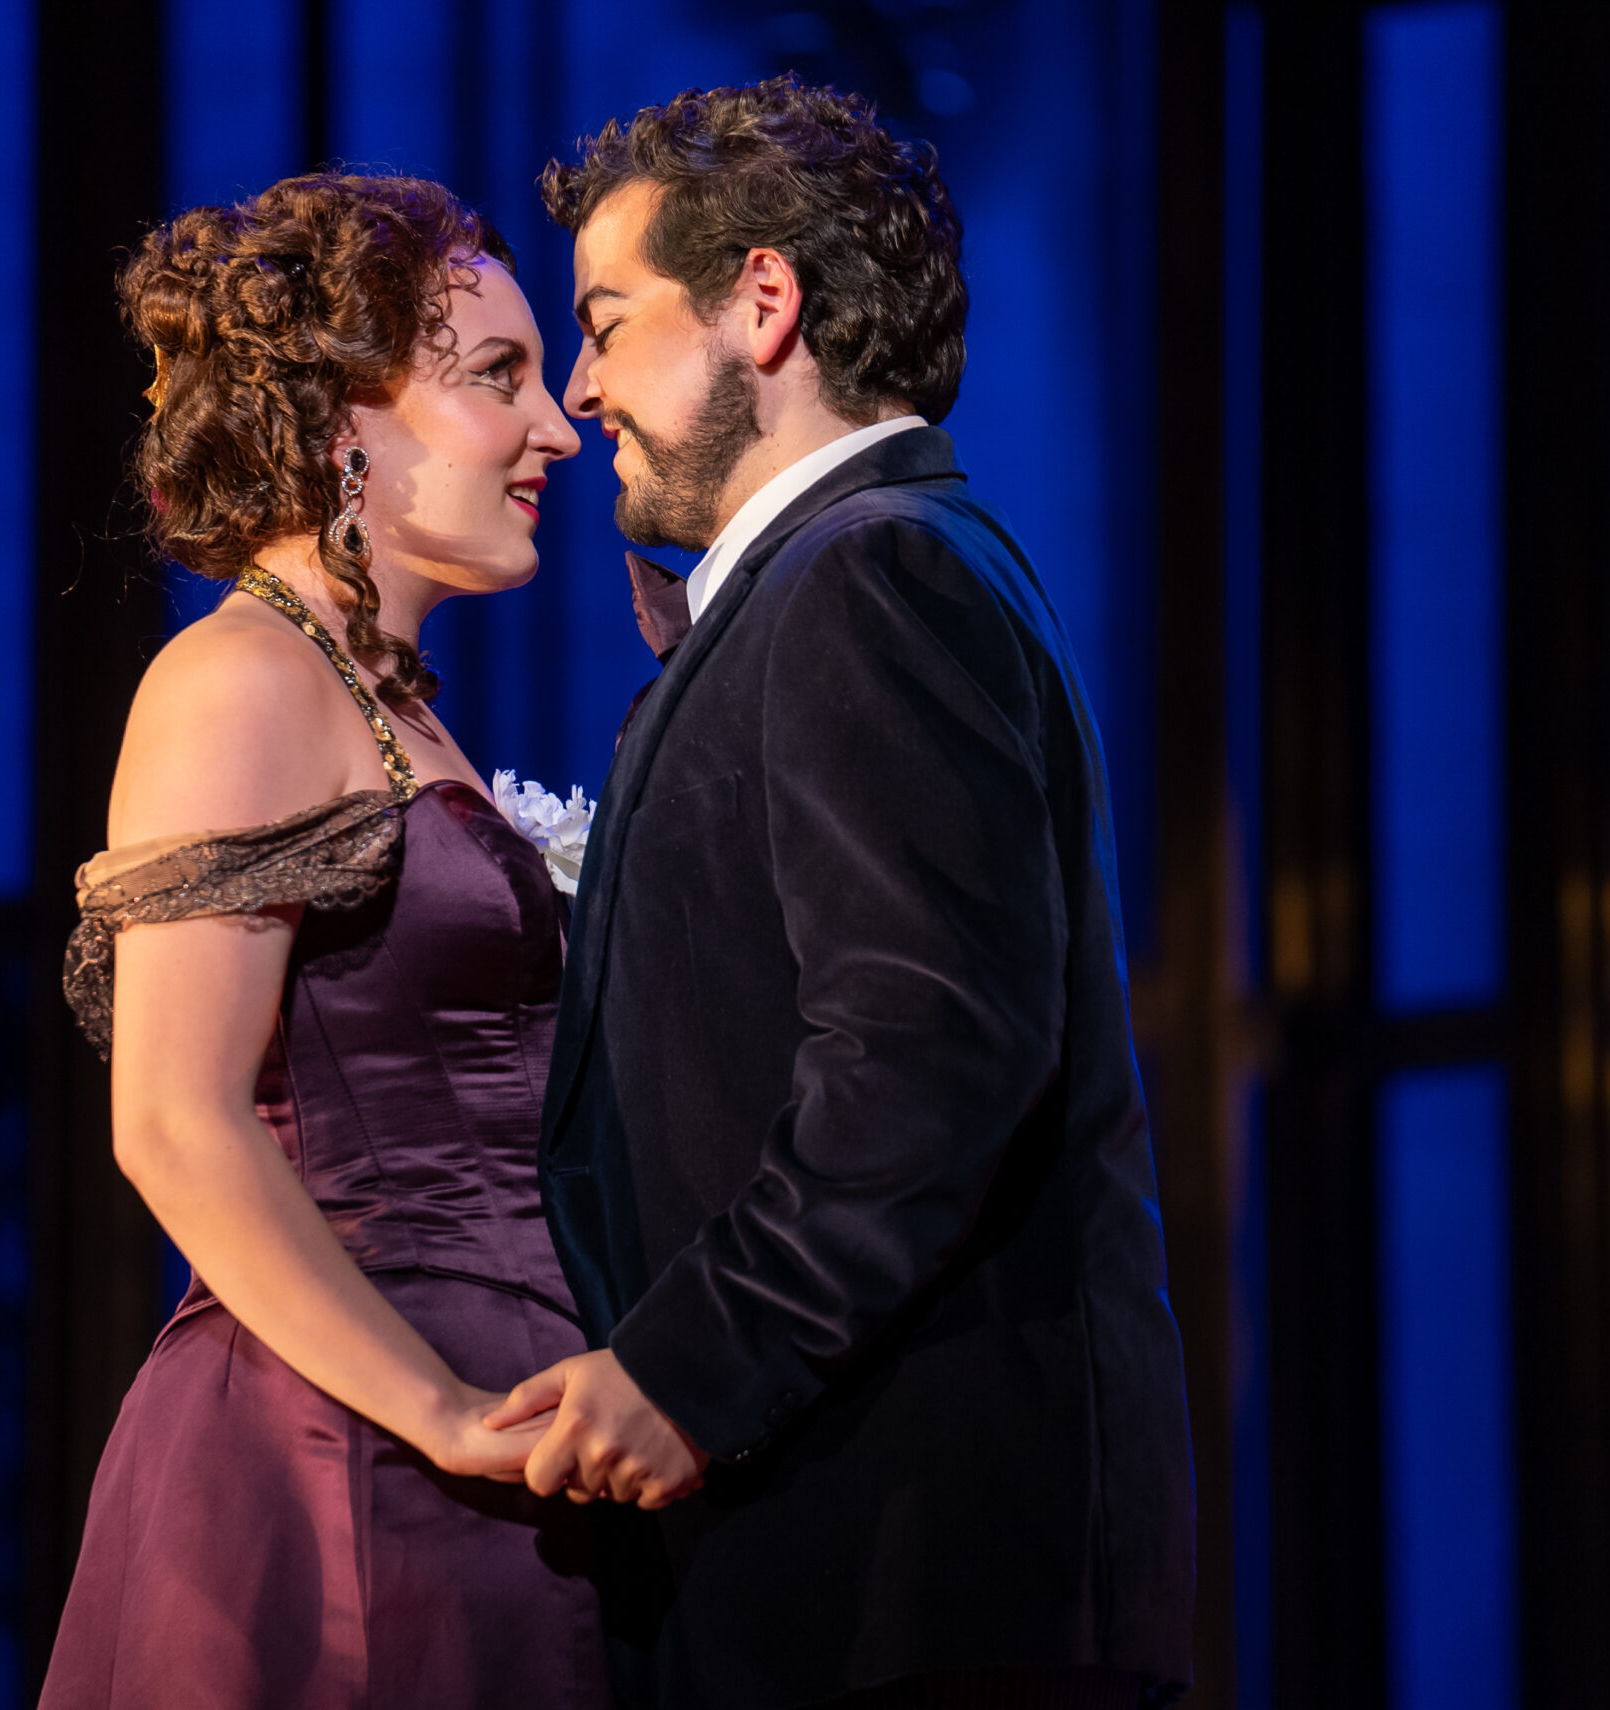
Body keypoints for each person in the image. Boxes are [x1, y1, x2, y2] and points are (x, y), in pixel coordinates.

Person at [486, 77, 1199, 1708]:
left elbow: (926, 1059)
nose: (581, 385)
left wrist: (683, 1369)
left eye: (603, 321)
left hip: (922, 1560)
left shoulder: (870, 574)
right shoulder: (871, 566)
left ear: (763, 302)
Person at [38, 173, 602, 1710]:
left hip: (484, 1432)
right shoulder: (237, 678)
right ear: (347, 420)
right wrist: (433, 1402)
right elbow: (172, 1115)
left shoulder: (385, 697)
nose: (559, 428)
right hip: (337, 1435)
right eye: (499, 377)